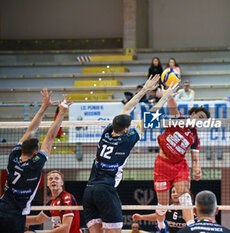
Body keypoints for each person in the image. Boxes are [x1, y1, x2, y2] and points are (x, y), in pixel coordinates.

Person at [82, 74, 178, 233]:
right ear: (126, 129)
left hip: (89, 190)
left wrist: (144, 90)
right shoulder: (127, 140)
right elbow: (149, 117)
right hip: (105, 189)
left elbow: (126, 108)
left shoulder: (106, 132)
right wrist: (164, 98)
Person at [0, 89, 71, 233]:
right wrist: (62, 112)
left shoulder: (13, 156)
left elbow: (30, 131)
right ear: (35, 153)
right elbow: (50, 137)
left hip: (2, 208)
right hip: (17, 215)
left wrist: (44, 107)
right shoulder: (35, 164)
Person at [153, 93, 210, 230]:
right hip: (162, 165)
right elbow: (173, 108)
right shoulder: (179, 120)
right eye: (200, 117)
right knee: (163, 204)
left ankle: (192, 228)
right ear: (193, 113)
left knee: (185, 196)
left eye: (204, 121)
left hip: (180, 166)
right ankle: (161, 225)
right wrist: (168, 96)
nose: (201, 121)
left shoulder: (195, 137)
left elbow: (195, 159)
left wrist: (197, 168)